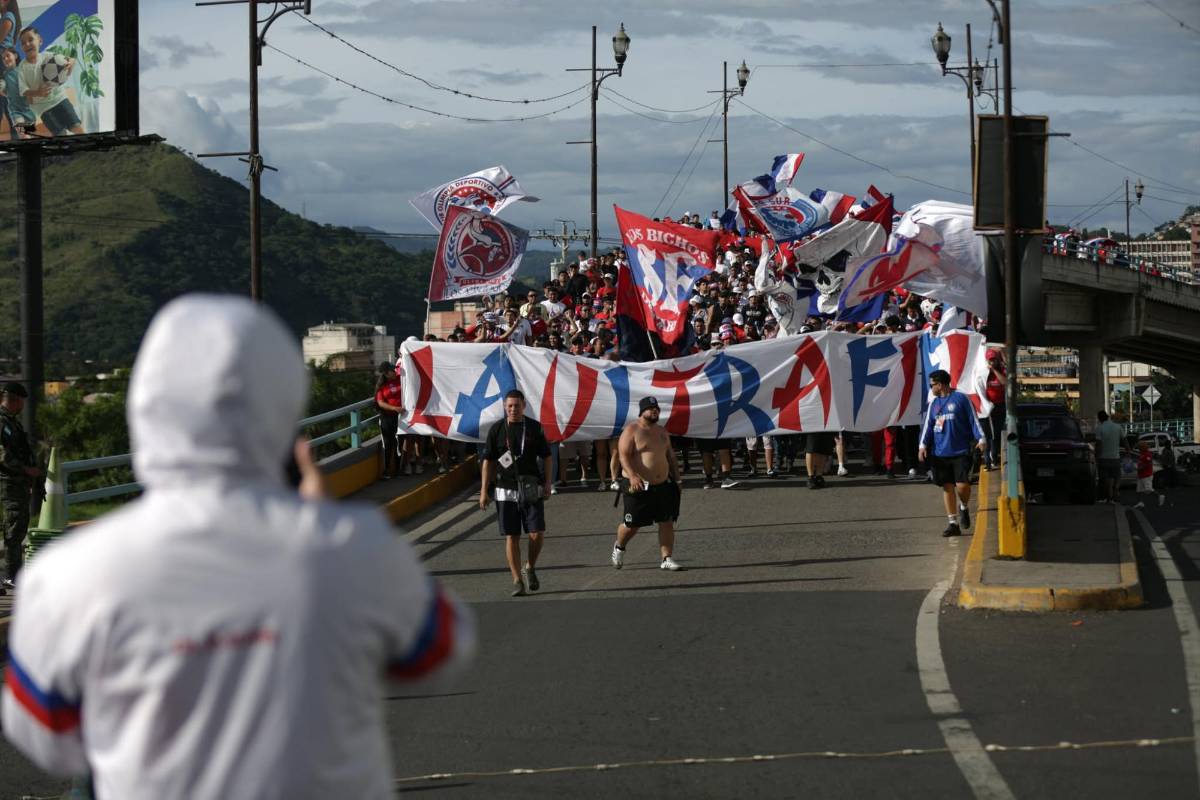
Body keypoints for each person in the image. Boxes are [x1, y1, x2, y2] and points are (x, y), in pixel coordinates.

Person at [2, 295, 476, 798]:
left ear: (148, 406)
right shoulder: (350, 547)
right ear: (283, 402)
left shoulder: (74, 573)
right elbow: (440, 648)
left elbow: (45, 733)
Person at [479, 389, 552, 596]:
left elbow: (547, 457)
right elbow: (488, 462)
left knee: (537, 533)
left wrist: (547, 483)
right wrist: (484, 491)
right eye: (509, 406)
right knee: (512, 536)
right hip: (505, 490)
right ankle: (517, 580)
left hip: (531, 488)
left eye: (517, 406)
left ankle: (529, 566)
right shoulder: (497, 430)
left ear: (524, 406)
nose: (513, 409)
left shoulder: (534, 428)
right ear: (504, 406)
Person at [611, 397, 683, 571]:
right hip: (638, 485)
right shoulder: (632, 430)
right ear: (642, 411)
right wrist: (633, 476)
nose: (654, 411)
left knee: (666, 521)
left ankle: (666, 558)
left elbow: (670, 457)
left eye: (656, 408)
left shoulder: (662, 431)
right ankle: (619, 546)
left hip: (663, 485)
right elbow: (624, 456)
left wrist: (678, 479)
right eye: (650, 409)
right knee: (632, 525)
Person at [919, 369, 987, 537]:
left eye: (932, 384)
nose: (931, 387)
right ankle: (952, 523)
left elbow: (974, 420)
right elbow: (928, 427)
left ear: (940, 384)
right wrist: (922, 445)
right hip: (940, 453)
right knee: (947, 487)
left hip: (961, 451)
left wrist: (981, 438)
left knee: (963, 486)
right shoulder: (934, 404)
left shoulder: (961, 399)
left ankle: (963, 506)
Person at [0, 380, 38, 592]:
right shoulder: (2, 422)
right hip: (8, 483)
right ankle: (10, 576)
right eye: (21, 401)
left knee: (17, 529)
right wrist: (25, 469)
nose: (23, 405)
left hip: (16, 484)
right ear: (13, 400)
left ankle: (12, 575)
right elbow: (3, 455)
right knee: (13, 531)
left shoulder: (11, 422)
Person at [17, 27, 83, 136]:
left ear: (40, 41)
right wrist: (38, 92)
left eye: (30, 40)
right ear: (21, 48)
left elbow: (70, 60)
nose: (27, 44)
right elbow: (23, 90)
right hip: (43, 108)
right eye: (23, 43)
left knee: (76, 127)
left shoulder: (49, 57)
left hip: (60, 99)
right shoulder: (22, 67)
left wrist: (71, 62)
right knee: (60, 134)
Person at [374, 362, 404, 479]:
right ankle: (386, 470)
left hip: (400, 418)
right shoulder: (381, 386)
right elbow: (381, 403)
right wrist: (395, 408)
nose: (395, 371)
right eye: (392, 370)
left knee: (398, 444)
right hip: (387, 418)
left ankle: (398, 469)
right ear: (386, 373)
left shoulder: (401, 379)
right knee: (387, 444)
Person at [1094, 410, 1123, 503]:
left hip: (1103, 459)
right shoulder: (1117, 427)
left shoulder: (1099, 428)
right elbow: (1125, 440)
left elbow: (1098, 444)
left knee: (1105, 480)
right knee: (1117, 476)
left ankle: (1107, 498)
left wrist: (1096, 456)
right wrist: (1128, 450)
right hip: (1115, 458)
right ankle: (1116, 490)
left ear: (1099, 418)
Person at [1133, 440, 1163, 509]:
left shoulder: (1147, 454)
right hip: (1141, 474)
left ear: (1143, 447)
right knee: (1139, 490)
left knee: (1148, 489)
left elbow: (1148, 463)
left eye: (1139, 447)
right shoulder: (1142, 454)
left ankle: (1159, 496)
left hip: (1146, 475)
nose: (1139, 448)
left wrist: (1141, 467)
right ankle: (1140, 503)